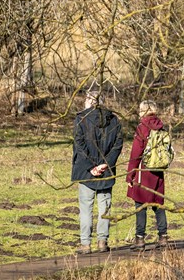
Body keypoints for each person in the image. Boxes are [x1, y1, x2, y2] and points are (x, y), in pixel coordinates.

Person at [71, 88, 124, 254]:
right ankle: (102, 242)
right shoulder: (114, 120)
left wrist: (91, 167)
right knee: (104, 208)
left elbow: (79, 146)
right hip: (106, 171)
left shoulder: (81, 119)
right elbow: (117, 145)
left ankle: (85, 244)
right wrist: (105, 164)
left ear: (89, 101)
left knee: (86, 208)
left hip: (86, 172)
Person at [127, 100, 168, 250]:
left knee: (140, 205)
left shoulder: (142, 128)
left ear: (143, 111)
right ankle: (163, 237)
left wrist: (130, 175)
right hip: (158, 171)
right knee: (158, 204)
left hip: (143, 171)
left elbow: (135, 153)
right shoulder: (162, 127)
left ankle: (140, 239)